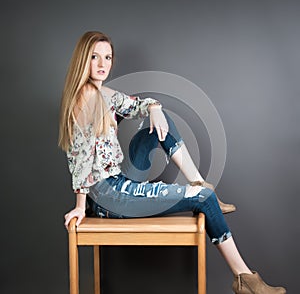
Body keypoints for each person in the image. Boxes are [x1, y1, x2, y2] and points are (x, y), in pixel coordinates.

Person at [59, 31, 286, 293]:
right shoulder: (85, 97)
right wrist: (80, 205)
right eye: (94, 57)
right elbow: (81, 156)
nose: (102, 64)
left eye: (107, 57)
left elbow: (140, 105)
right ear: (82, 60)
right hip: (108, 196)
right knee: (202, 198)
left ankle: (199, 181)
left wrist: (154, 108)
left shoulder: (105, 94)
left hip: (118, 183)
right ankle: (244, 278)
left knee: (160, 121)